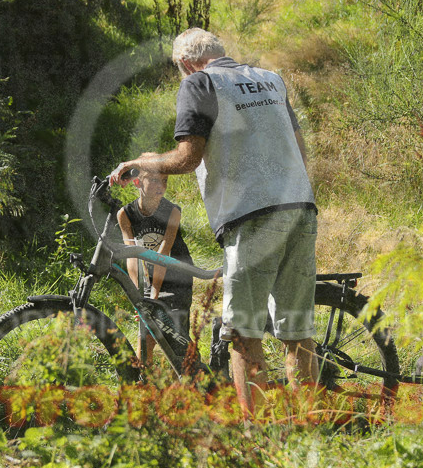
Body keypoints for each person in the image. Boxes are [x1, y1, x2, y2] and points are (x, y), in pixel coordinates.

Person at [111, 28, 318, 415]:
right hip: (301, 208)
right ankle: (310, 426)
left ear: (185, 64)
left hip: (253, 217)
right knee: (298, 333)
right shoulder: (270, 79)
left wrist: (143, 163)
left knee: (243, 334)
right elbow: (300, 150)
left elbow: (188, 159)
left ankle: (256, 436)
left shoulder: (199, 82)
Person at [116, 170, 194, 366]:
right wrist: (139, 298)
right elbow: (132, 256)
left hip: (178, 276)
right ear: (137, 183)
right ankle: (144, 383)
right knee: (147, 331)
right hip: (148, 276)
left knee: (177, 333)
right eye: (153, 180)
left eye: (165, 181)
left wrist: (154, 296)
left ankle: (192, 378)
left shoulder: (172, 211)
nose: (161, 186)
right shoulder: (125, 214)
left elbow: (164, 253)